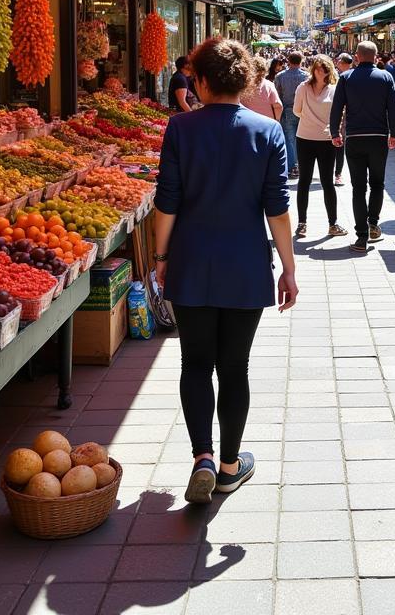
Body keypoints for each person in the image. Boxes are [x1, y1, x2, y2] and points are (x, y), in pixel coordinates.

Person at [153, 38, 298, 504]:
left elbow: (167, 202)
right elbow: (277, 209)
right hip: (245, 262)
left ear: (200, 80)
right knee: (235, 366)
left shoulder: (180, 128)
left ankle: (203, 458)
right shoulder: (267, 131)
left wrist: (160, 259)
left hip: (191, 259)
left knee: (194, 362)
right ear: (245, 81)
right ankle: (231, 465)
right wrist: (289, 269)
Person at [329, 40, 395, 253]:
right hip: (378, 137)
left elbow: (337, 108)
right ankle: (373, 224)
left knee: (358, 187)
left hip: (354, 138)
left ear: (357, 56)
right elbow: (393, 109)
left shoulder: (346, 78)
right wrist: (394, 134)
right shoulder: (386, 77)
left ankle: (361, 237)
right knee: (377, 183)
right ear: (376, 56)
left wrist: (335, 133)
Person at [292, 55, 347, 239]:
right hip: (305, 138)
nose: (320, 71)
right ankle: (302, 223)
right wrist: (314, 121)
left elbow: (340, 112)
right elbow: (296, 110)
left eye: (324, 69)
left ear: (329, 70)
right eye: (317, 68)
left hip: (326, 140)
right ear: (312, 69)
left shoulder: (334, 89)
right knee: (304, 181)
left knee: (327, 182)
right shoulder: (303, 87)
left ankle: (333, 223)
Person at [274, 52, 308, 178]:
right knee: (303, 139)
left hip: (288, 110)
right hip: (304, 111)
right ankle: (302, 165)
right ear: (301, 61)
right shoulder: (306, 76)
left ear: (289, 60)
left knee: (289, 140)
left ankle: (293, 166)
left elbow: (277, 95)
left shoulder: (280, 76)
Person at [240, 56, 283, 121]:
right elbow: (277, 105)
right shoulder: (268, 85)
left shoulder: (243, 86)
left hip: (247, 122)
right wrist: (277, 120)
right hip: (266, 122)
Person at [333, 54, 354, 185]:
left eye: (339, 61)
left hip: (346, 116)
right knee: (338, 144)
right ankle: (337, 173)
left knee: (341, 145)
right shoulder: (335, 76)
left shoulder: (349, 76)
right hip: (338, 114)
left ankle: (338, 173)